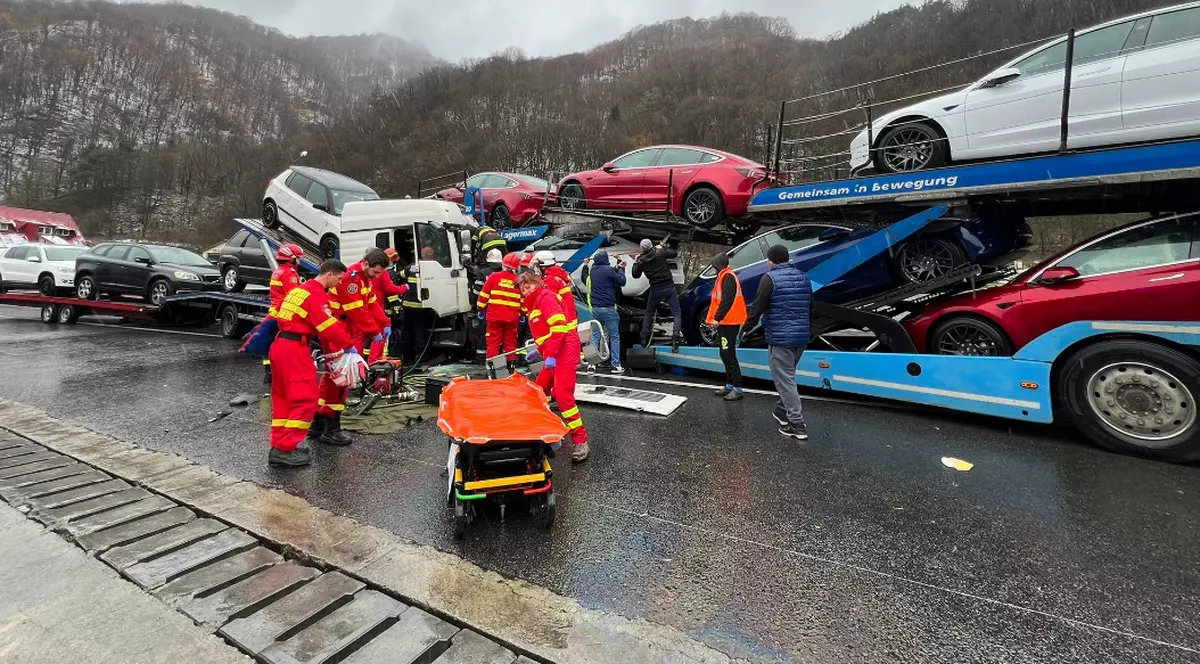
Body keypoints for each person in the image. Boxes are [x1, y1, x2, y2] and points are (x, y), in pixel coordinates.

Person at [268, 260, 356, 467]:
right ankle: (286, 448)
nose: (339, 284)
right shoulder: (316, 295)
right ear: (329, 274)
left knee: (283, 398)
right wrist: (348, 344)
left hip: (280, 346)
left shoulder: (299, 290)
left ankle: (279, 445)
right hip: (294, 349)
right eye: (339, 279)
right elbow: (328, 326)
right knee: (306, 399)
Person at [317, 248, 389, 445]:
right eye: (375, 272)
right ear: (365, 264)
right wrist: (375, 331)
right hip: (338, 329)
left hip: (344, 329)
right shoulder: (351, 278)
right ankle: (331, 429)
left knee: (333, 377)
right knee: (339, 378)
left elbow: (371, 303)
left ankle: (319, 423)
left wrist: (385, 322)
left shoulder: (365, 279)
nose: (376, 276)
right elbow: (357, 311)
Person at [519, 271, 590, 463]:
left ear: (537, 282)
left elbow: (559, 329)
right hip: (553, 351)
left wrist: (549, 356)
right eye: (522, 288)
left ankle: (580, 440)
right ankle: (546, 430)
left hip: (564, 349)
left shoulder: (545, 298)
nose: (526, 290)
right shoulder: (534, 303)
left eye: (529, 285)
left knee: (563, 394)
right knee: (540, 389)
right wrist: (540, 349)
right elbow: (547, 333)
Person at [744, 244, 812, 441]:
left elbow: (758, 306)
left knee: (785, 380)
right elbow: (810, 306)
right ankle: (782, 411)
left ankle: (796, 424)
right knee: (788, 377)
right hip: (801, 336)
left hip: (781, 337)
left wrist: (747, 327)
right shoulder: (803, 277)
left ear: (772, 260)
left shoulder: (769, 278)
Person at [706, 252, 747, 401]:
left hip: (729, 322)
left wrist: (717, 318)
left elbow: (727, 300)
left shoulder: (727, 276)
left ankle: (737, 388)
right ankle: (730, 385)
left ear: (719, 265)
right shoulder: (725, 275)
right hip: (726, 322)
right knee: (725, 354)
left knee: (729, 355)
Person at [263, 243, 305, 386]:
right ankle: (279, 373)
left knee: (271, 342)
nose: (299, 261)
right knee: (287, 343)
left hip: (275, 310)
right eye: (298, 258)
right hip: (284, 313)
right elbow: (295, 295)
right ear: (291, 258)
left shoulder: (279, 271)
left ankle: (269, 373)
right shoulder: (289, 273)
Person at [632, 238, 681, 348]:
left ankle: (644, 339)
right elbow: (674, 253)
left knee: (649, 313)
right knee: (677, 313)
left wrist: (636, 262)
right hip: (669, 286)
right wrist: (664, 247)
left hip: (655, 289)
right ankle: (676, 338)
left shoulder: (641, 260)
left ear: (642, 249)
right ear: (651, 246)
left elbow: (635, 275)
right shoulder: (659, 253)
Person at [584, 250, 627, 374]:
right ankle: (616, 365)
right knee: (614, 336)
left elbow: (607, 273)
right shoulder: (608, 270)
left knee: (595, 336)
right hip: (608, 308)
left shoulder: (593, 270)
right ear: (606, 260)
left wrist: (616, 265)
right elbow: (622, 281)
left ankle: (591, 365)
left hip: (596, 309)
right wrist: (621, 268)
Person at [477, 252, 521, 359]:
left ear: (503, 264)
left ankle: (493, 369)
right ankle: (511, 367)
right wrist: (523, 313)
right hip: (512, 318)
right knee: (510, 344)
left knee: (493, 343)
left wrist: (481, 309)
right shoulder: (519, 280)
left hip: (494, 317)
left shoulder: (493, 277)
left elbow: (483, 296)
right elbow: (523, 300)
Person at [373, 248, 408, 360]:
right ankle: (383, 356)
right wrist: (404, 289)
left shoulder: (384, 272)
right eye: (393, 258)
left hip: (382, 308)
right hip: (386, 310)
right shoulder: (387, 273)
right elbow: (390, 291)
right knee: (386, 335)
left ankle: (376, 357)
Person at [470, 249, 504, 360]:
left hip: (487, 309)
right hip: (504, 309)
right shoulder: (506, 274)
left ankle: (481, 356)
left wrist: (476, 307)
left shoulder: (482, 274)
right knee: (502, 334)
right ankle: (500, 356)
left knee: (484, 333)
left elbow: (476, 293)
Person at [535, 251, 578, 326]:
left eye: (537, 266)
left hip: (563, 322)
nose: (536, 269)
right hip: (569, 318)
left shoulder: (549, 280)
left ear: (543, 266)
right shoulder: (558, 275)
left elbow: (549, 304)